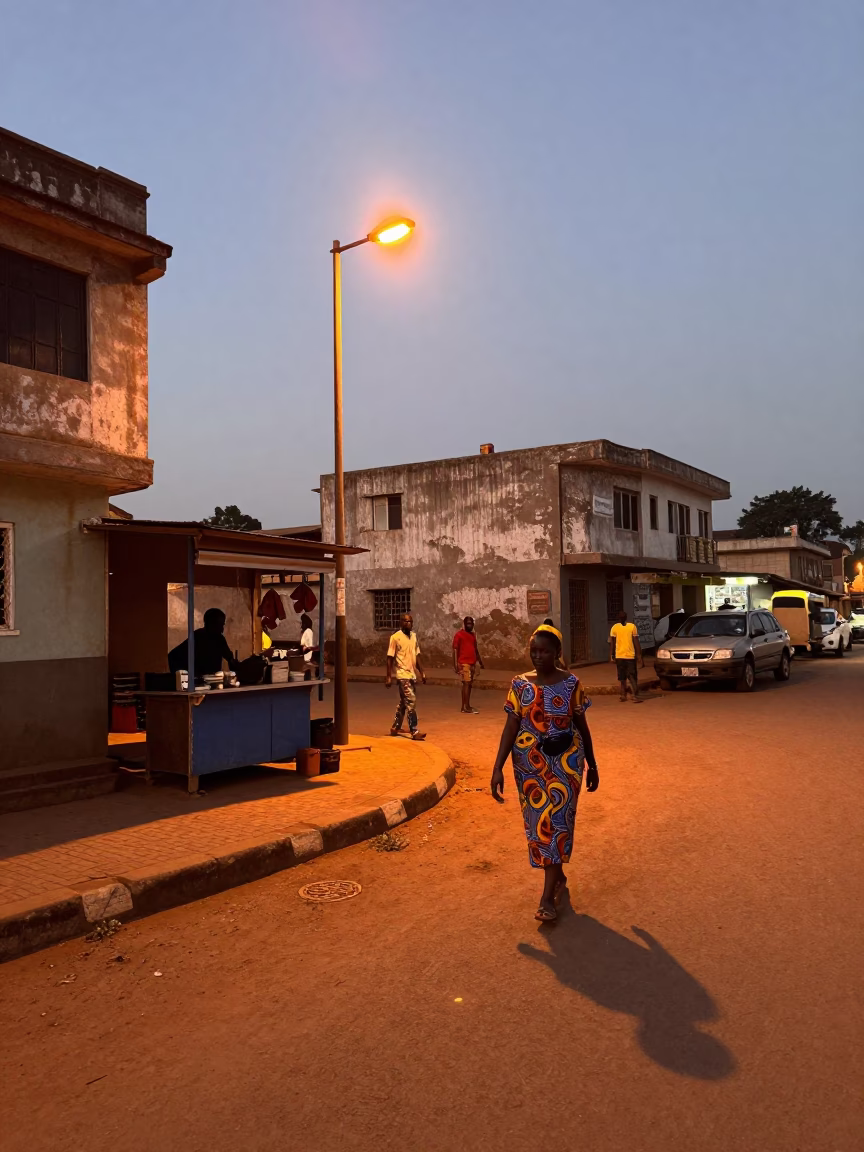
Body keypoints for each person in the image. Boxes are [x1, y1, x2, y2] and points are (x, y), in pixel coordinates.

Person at [490, 625, 599, 922]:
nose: (538, 656)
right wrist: (497, 767)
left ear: (558, 654)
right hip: (529, 767)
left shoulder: (572, 684)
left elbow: (582, 726)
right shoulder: (519, 685)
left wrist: (592, 763)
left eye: (545, 651)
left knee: (558, 823)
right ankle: (558, 878)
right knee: (540, 825)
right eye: (534, 651)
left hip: (567, 764)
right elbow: (511, 726)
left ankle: (546, 897)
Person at [385, 613, 427, 740]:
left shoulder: (414, 636)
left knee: (404, 702)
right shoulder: (395, 638)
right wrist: (388, 676)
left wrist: (422, 672)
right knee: (411, 701)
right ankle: (414, 730)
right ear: (401, 622)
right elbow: (390, 658)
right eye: (406, 621)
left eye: (410, 622)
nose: (408, 624)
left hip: (411, 674)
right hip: (402, 675)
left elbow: (417, 655)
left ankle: (396, 727)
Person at [168, 607, 240, 680]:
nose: (222, 629)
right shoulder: (197, 637)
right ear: (209, 623)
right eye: (219, 625)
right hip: (199, 684)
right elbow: (173, 656)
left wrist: (233, 663)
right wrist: (185, 677)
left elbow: (229, 657)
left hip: (213, 682)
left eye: (222, 625)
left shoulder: (220, 639)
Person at [452, 615, 485, 714]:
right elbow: (455, 649)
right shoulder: (459, 635)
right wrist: (455, 664)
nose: (469, 625)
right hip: (463, 663)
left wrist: (479, 661)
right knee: (466, 684)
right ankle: (464, 707)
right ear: (464, 624)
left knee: (469, 684)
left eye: (471, 624)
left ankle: (467, 705)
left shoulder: (473, 635)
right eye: (468, 624)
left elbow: (475, 648)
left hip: (472, 663)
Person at [609, 609, 643, 703]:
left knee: (622, 677)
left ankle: (623, 695)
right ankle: (634, 695)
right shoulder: (632, 626)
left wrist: (612, 655)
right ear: (626, 618)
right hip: (629, 656)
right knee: (631, 676)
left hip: (620, 656)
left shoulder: (615, 627)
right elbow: (636, 642)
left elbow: (612, 643)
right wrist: (639, 655)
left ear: (618, 618)